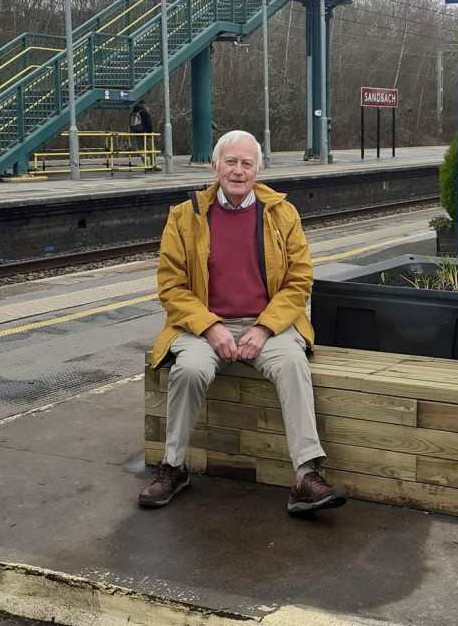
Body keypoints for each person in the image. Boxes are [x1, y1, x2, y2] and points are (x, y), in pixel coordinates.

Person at [139, 129, 348, 514]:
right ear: (215, 165)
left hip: (267, 324)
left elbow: (298, 281)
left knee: (292, 364)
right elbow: (172, 286)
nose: (238, 171)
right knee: (189, 369)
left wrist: (265, 327)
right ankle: (172, 466)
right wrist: (209, 326)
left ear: (258, 169)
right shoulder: (184, 217)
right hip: (202, 327)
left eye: (247, 163)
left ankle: (306, 476)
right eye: (230, 162)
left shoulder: (282, 214)